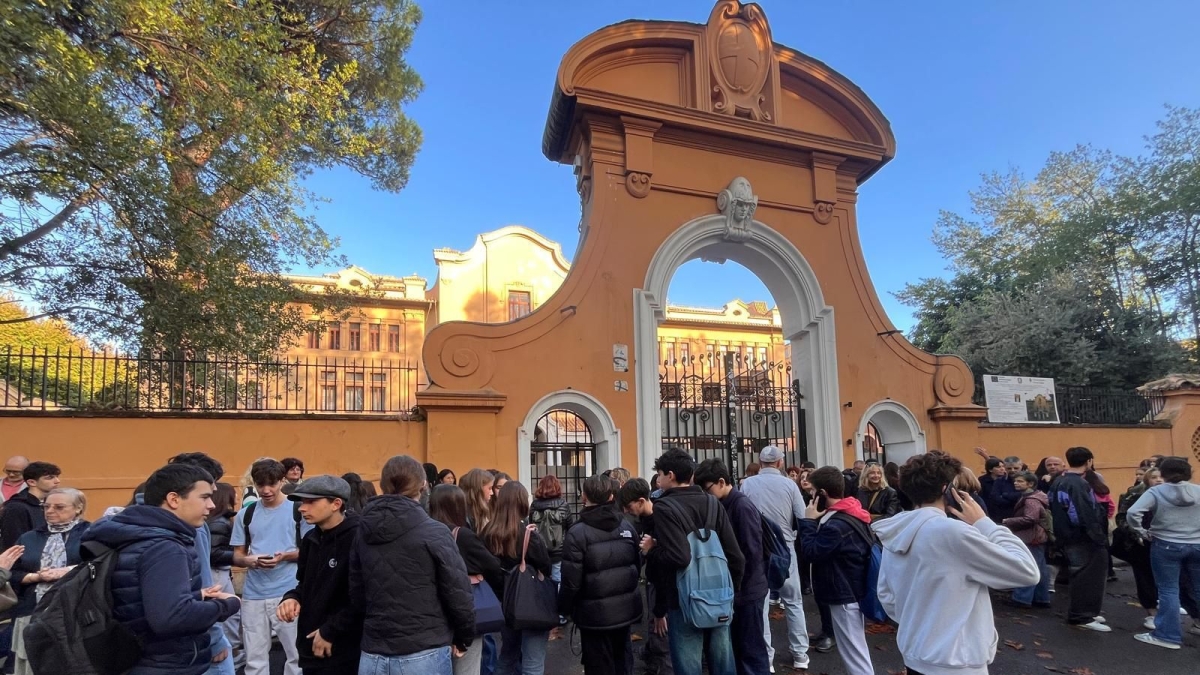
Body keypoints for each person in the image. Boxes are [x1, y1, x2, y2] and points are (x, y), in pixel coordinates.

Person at [873, 452, 1040, 675]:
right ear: (947, 489)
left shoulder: (896, 530)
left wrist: (920, 624)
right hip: (956, 660)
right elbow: (1026, 571)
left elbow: (886, 594)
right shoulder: (952, 532)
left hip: (915, 652)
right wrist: (984, 523)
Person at [83, 462, 240, 675]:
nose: (211, 505)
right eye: (204, 497)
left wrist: (196, 596)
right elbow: (171, 618)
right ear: (174, 499)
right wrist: (227, 605)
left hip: (138, 659)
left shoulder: (139, 535)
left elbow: (141, 600)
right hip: (165, 663)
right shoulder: (165, 547)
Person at [351, 455, 475, 674]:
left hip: (375, 649)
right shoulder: (435, 531)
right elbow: (457, 591)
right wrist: (464, 636)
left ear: (383, 484)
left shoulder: (362, 530)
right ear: (423, 484)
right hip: (424, 648)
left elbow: (356, 590)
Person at [643, 448, 743, 675]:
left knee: (689, 666)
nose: (658, 480)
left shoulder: (664, 508)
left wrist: (651, 551)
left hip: (682, 599)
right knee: (723, 664)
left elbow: (678, 557)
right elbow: (735, 555)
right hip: (719, 594)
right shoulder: (713, 503)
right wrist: (732, 590)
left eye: (660, 474)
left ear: (670, 475)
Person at [231, 458, 310, 675]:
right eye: (260, 484)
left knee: (297, 657)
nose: (266, 490)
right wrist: (249, 560)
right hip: (253, 594)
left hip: (289, 592)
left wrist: (284, 556)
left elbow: (311, 551)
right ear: (254, 483)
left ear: (282, 481)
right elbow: (238, 554)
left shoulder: (298, 510)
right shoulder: (245, 514)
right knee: (254, 660)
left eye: (272, 484)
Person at [277, 475, 362, 675]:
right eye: (302, 501)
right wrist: (292, 598)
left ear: (336, 504)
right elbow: (305, 585)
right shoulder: (310, 539)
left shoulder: (358, 538)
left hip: (345, 651)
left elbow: (362, 598)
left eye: (311, 502)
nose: (302, 508)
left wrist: (330, 631)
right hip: (311, 650)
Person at [559, 475, 642, 675]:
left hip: (593, 615)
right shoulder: (626, 526)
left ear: (584, 496)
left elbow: (571, 580)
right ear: (611, 496)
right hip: (624, 610)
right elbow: (636, 565)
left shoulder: (577, 533)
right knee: (623, 662)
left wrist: (564, 608)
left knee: (598, 666)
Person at [694, 460, 770, 675]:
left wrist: (736, 584)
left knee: (750, 651)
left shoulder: (741, 506)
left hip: (747, 590)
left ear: (721, 482)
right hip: (740, 589)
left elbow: (751, 552)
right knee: (739, 649)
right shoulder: (725, 504)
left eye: (707, 489)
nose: (705, 494)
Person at [797, 467, 875, 675]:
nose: (811, 496)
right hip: (851, 589)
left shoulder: (836, 525)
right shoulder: (851, 512)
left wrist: (808, 521)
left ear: (822, 493)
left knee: (854, 655)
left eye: (813, 491)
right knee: (854, 650)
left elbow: (811, 552)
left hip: (844, 594)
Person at [168, 452, 238, 675]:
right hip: (197, 637)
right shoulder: (195, 527)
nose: (211, 503)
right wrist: (215, 638)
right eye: (206, 493)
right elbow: (205, 587)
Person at [740, 445, 808, 671]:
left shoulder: (747, 484)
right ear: (780, 462)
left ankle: (766, 657)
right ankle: (800, 653)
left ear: (760, 462)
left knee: (761, 604)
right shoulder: (790, 485)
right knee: (793, 601)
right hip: (784, 546)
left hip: (757, 547)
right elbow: (801, 515)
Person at [10, 487, 89, 675]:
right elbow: (12, 573)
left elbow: (98, 564)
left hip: (75, 611)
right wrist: (36, 577)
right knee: (32, 663)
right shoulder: (29, 538)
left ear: (78, 508)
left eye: (59, 507)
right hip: (31, 610)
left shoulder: (91, 534)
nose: (50, 511)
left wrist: (65, 571)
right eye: (46, 507)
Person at [429, 484, 504, 675]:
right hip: (465, 610)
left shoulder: (425, 533)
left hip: (433, 615)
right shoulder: (462, 535)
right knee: (467, 669)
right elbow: (492, 565)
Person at [1126, 457, 1200, 649]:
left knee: (1168, 589)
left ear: (1163, 473)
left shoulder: (1156, 491)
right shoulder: (1198, 490)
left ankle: (1168, 635)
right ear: (1189, 473)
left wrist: (1142, 531)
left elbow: (1133, 513)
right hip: (1197, 544)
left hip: (1166, 544)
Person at [483, 481, 551, 675]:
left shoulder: (487, 534)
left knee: (508, 655)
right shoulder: (528, 535)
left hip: (504, 604)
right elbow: (545, 567)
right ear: (522, 503)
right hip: (532, 604)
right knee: (533, 662)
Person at [1047, 446, 1111, 631]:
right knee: (1087, 576)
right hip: (1082, 538)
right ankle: (1082, 615)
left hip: (1066, 536)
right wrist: (1097, 536)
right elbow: (1082, 514)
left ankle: (1087, 612)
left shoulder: (1059, 481)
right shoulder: (1078, 484)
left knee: (1080, 575)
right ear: (1089, 461)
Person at [617, 478, 673, 675]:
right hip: (655, 584)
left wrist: (660, 611)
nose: (626, 510)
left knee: (662, 634)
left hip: (661, 588)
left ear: (641, 501)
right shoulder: (646, 520)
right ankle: (653, 658)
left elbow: (666, 568)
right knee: (658, 634)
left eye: (628, 506)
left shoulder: (660, 521)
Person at [208, 482, 244, 672]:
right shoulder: (220, 522)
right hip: (217, 573)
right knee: (228, 614)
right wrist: (239, 557)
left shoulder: (218, 520)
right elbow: (214, 553)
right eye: (233, 494)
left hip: (219, 571)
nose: (237, 497)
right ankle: (231, 653)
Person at [1002, 471, 1052, 609]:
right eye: (1015, 481)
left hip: (1031, 537)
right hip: (1036, 536)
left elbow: (1031, 518)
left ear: (1030, 484)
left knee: (1027, 567)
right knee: (1039, 568)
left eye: (1020, 481)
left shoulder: (1031, 500)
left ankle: (1022, 598)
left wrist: (1009, 521)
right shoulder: (1034, 497)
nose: (1016, 483)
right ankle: (1041, 598)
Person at [0, 461, 60, 549]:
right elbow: (14, 542)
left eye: (57, 477)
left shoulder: (48, 504)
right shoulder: (16, 507)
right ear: (32, 482)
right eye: (49, 478)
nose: (57, 481)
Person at [530, 475, 571, 589]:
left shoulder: (534, 505)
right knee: (557, 580)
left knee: (541, 582)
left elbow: (531, 527)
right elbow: (570, 528)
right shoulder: (563, 505)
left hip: (539, 552)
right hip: (558, 552)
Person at [979, 458, 1019, 523]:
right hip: (990, 511)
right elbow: (991, 497)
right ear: (990, 470)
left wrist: (1005, 495)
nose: (1002, 469)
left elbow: (1018, 495)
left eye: (1003, 466)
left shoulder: (1010, 480)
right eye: (998, 467)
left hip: (1009, 512)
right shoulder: (983, 480)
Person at [462, 468, 496, 532]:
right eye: (489, 488)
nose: (492, 493)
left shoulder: (484, 510)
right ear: (479, 489)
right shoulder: (465, 513)